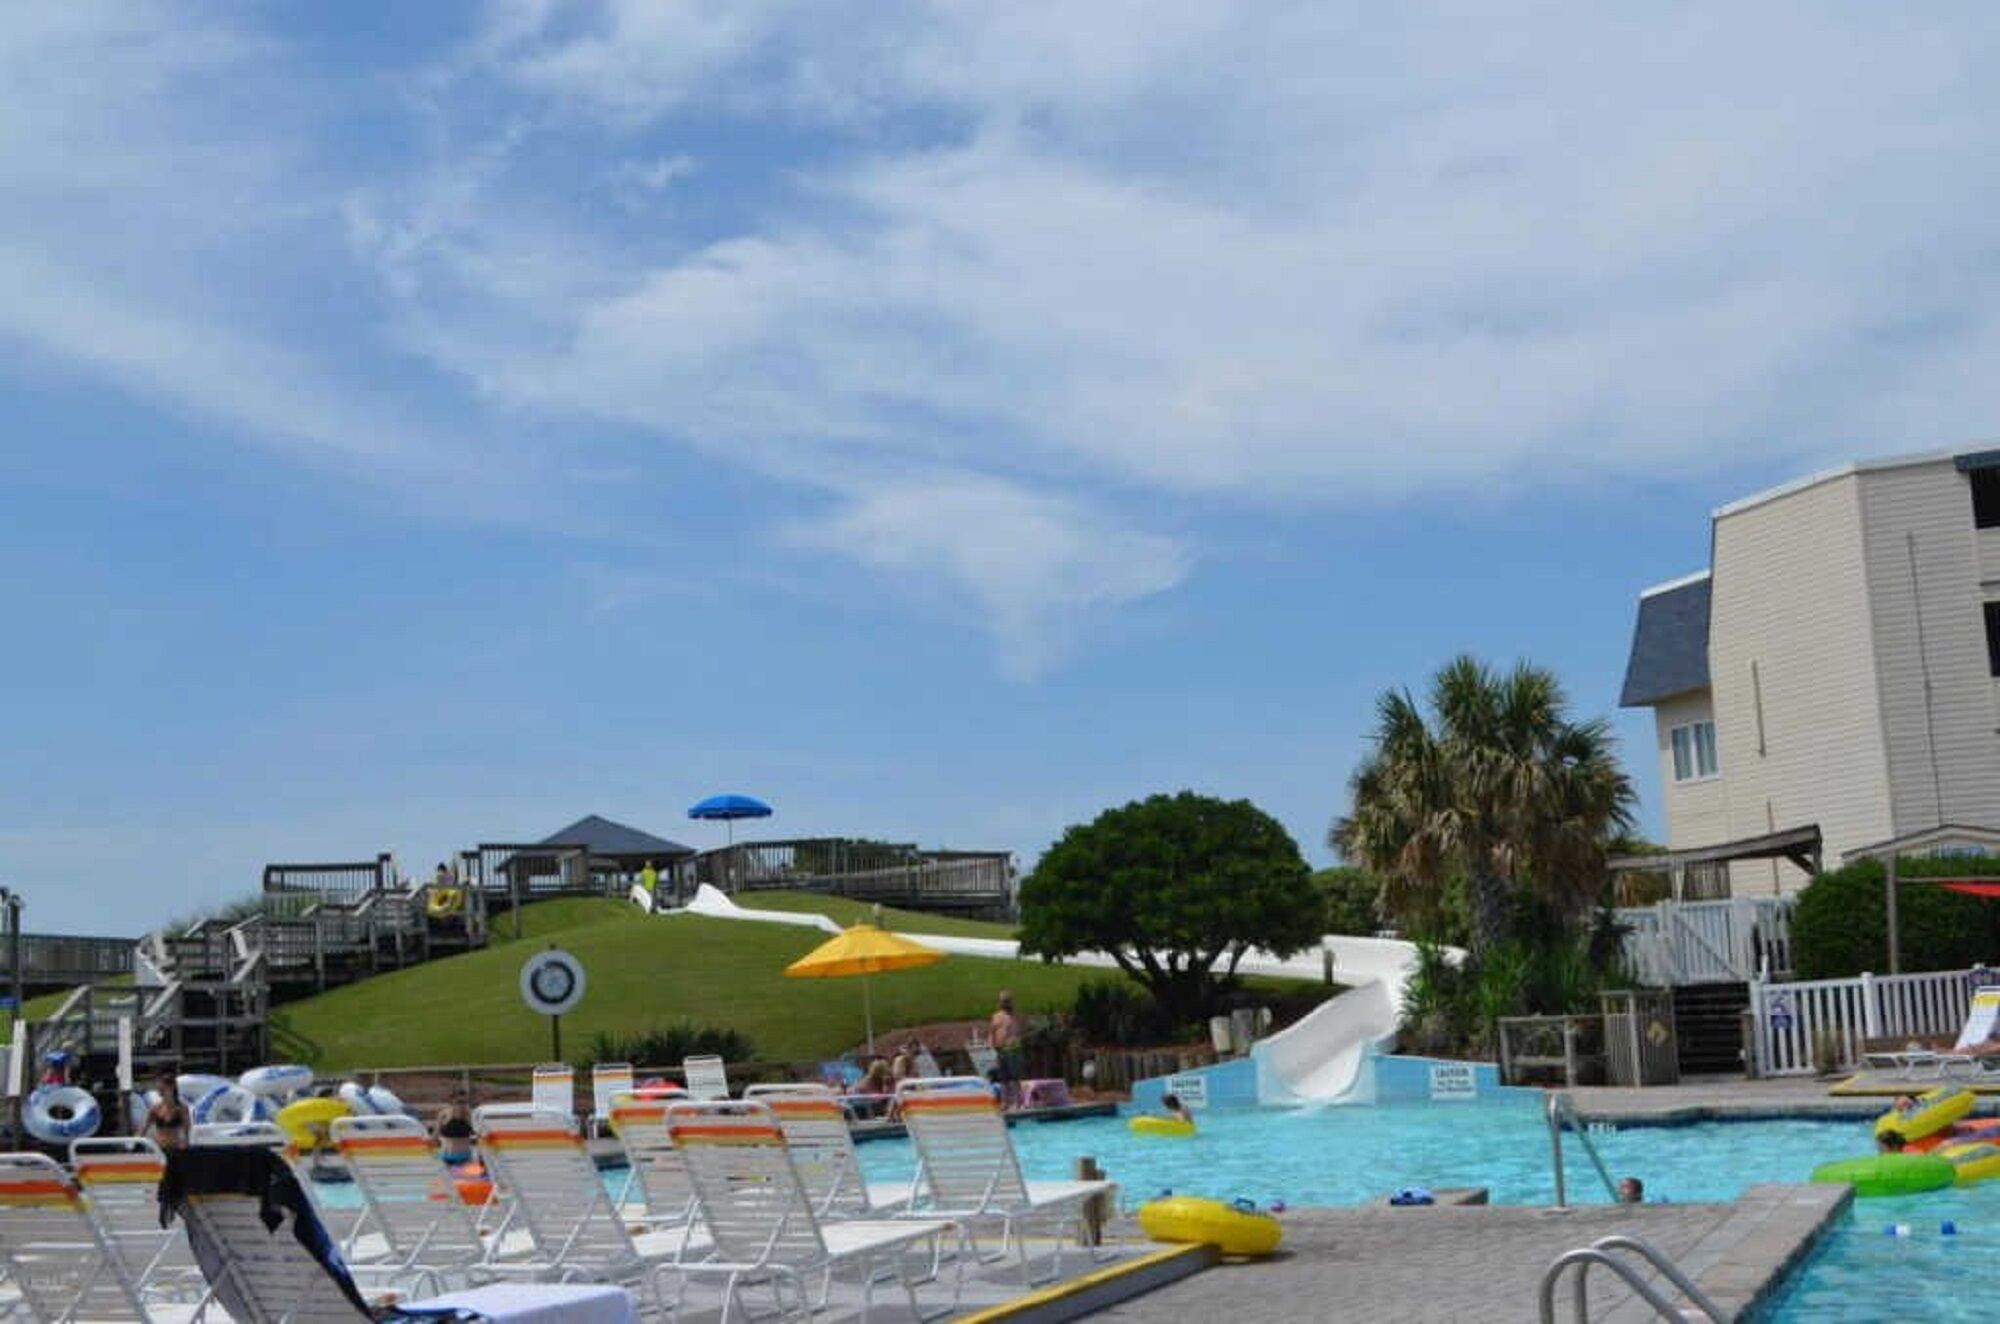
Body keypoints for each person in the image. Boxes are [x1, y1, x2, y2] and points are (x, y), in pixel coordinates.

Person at [990, 990, 1022, 1107]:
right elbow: (992, 1032)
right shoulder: (996, 1016)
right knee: (1003, 1079)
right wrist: (994, 1046)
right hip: (1001, 1051)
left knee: (1015, 1077)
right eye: (1003, 1001)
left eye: (1007, 1001)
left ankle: (1018, 1102)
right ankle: (1005, 1102)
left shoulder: (1014, 1016)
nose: (1005, 1003)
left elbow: (1017, 1032)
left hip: (1013, 1050)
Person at [144, 1074, 189, 1151]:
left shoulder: (182, 1108)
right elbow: (143, 1128)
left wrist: (184, 1145)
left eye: (162, 1088)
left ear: (172, 1087)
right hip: (159, 1149)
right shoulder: (155, 1109)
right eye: (159, 1089)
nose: (159, 1090)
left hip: (176, 1148)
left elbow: (186, 1131)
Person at [435, 1090, 476, 1166]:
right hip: (447, 1156)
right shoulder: (444, 1114)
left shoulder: (470, 1115)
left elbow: (478, 1133)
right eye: (459, 1102)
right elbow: (435, 1136)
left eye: (465, 1102)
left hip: (465, 1157)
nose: (462, 1105)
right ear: (452, 1102)